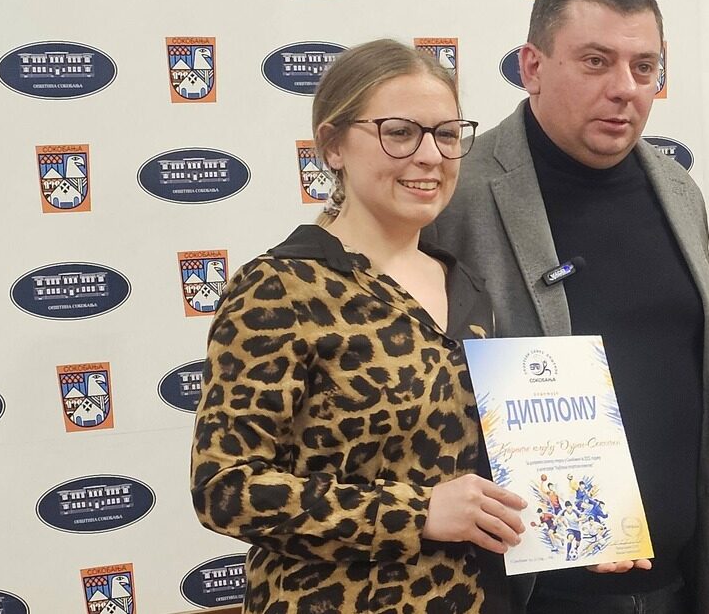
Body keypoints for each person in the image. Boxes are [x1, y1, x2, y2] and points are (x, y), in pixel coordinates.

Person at [428, 0, 709, 614]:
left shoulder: (680, 191)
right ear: (532, 67)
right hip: (525, 592)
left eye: (644, 68)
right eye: (596, 62)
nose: (625, 89)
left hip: (674, 585)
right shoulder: (455, 194)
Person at [190, 39, 521, 613]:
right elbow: (225, 488)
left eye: (446, 135)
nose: (430, 155)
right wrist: (417, 513)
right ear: (333, 145)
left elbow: (489, 474)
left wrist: (577, 524)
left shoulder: (466, 286)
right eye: (400, 132)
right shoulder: (280, 288)